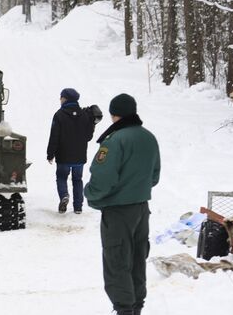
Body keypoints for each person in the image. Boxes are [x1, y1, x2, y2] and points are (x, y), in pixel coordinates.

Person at [84, 93, 160, 315]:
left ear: (114, 114)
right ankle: (136, 308)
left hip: (118, 212)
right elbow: (154, 176)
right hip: (141, 208)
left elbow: (103, 179)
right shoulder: (149, 137)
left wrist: (91, 195)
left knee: (117, 261)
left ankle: (124, 310)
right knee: (137, 259)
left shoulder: (115, 141)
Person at [46, 88, 95, 214]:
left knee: (61, 177)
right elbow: (88, 136)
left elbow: (54, 136)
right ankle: (78, 207)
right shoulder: (84, 115)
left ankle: (64, 196)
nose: (60, 99)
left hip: (63, 155)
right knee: (77, 180)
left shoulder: (59, 115)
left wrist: (50, 154)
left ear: (65, 99)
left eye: (61, 97)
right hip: (79, 155)